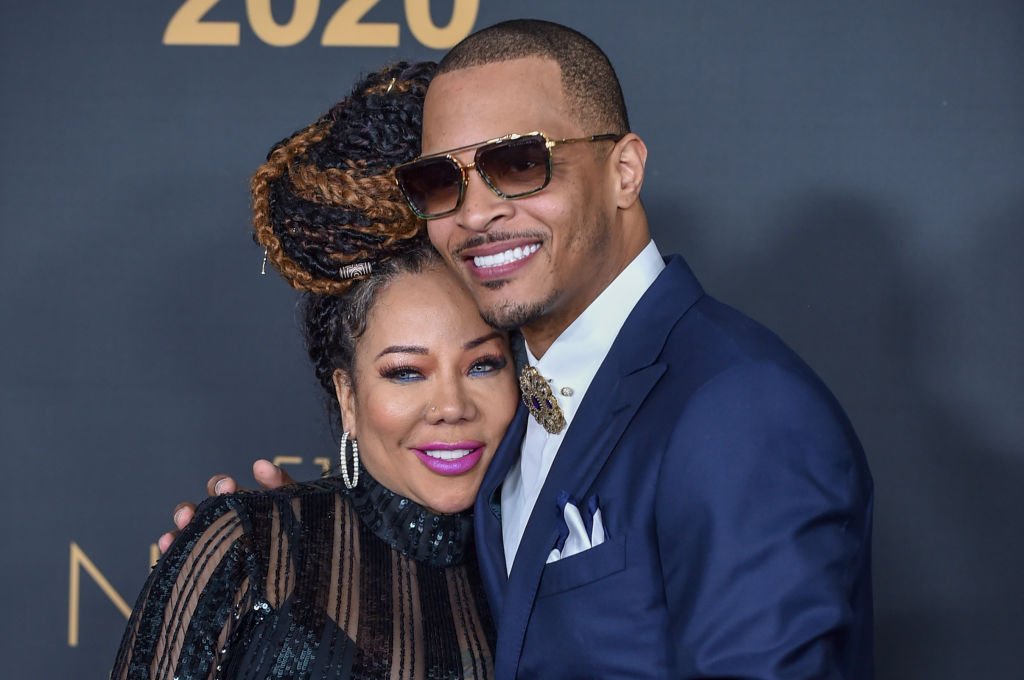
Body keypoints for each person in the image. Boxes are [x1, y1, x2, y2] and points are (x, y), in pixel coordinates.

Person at [177, 19, 874, 679]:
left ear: (625, 170)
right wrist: (302, 559)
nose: (476, 213)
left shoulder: (738, 407)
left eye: (518, 164)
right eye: (442, 182)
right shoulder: (522, 415)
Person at [113, 61, 520, 679]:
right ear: (348, 396)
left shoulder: (554, 575)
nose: (451, 405)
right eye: (406, 372)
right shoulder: (249, 550)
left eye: (484, 363)